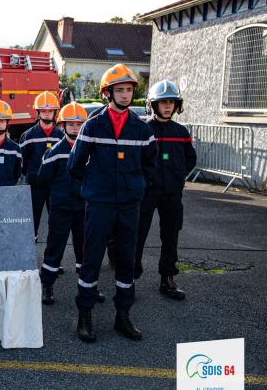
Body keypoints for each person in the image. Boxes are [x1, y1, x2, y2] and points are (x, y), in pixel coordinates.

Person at [67, 64, 157, 343]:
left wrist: (136, 186)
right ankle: (85, 315)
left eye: (129, 90)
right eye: (120, 90)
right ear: (108, 93)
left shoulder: (141, 129)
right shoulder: (93, 125)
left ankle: (123, 316)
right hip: (100, 203)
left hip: (129, 204)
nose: (126, 95)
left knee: (127, 260)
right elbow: (75, 165)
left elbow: (150, 165)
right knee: (92, 259)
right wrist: (96, 186)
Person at [37, 102, 104, 305]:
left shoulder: (91, 150)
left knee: (85, 249)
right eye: (71, 124)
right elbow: (42, 178)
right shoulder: (55, 151)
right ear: (62, 126)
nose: (75, 128)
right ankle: (47, 285)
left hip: (84, 207)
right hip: (61, 208)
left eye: (79, 124)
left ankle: (88, 286)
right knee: (54, 247)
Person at [135, 80, 196, 300]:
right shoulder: (142, 128)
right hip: (146, 193)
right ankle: (129, 278)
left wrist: (177, 176)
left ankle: (167, 279)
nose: (168, 106)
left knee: (170, 237)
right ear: (153, 104)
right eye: (163, 102)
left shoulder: (181, 132)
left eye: (171, 102)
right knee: (137, 234)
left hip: (172, 194)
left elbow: (190, 159)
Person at [20, 92, 64, 243]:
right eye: (43, 110)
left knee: (56, 221)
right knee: (32, 221)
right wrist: (33, 175)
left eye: (50, 110)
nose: (46, 114)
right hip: (35, 185)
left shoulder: (61, 136)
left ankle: (52, 260)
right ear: (38, 112)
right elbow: (23, 162)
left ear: (55, 112)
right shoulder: (28, 135)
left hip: (55, 186)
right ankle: (29, 257)